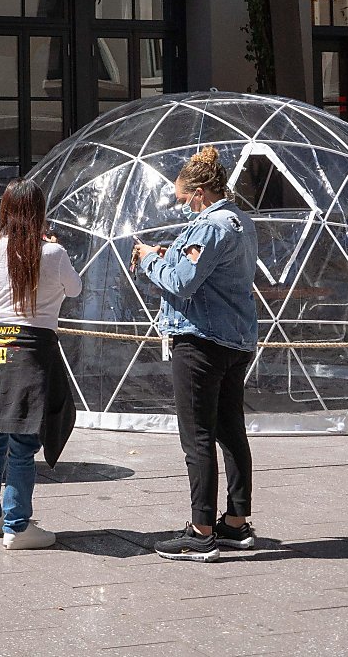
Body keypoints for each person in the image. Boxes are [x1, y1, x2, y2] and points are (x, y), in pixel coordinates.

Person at [130, 145, 259, 562]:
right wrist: (171, 258)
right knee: (229, 431)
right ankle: (236, 524)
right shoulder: (241, 221)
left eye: (183, 199)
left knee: (197, 436)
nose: (181, 205)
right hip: (235, 341)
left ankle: (200, 531)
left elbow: (182, 283)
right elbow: (207, 274)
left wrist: (150, 259)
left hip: (201, 342)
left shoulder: (211, 226)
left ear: (200, 192)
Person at [0, 179, 82, 551]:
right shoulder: (52, 253)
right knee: (24, 441)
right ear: (39, 212)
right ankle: (17, 526)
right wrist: (52, 248)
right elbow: (74, 289)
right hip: (31, 349)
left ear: (5, 210)